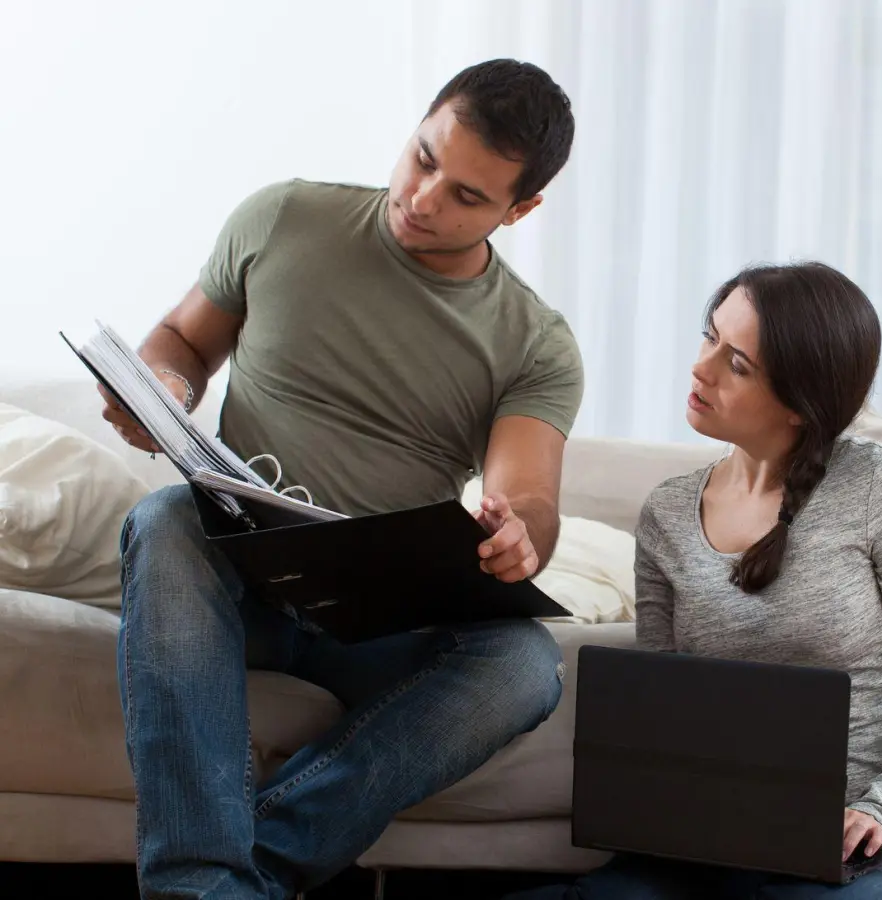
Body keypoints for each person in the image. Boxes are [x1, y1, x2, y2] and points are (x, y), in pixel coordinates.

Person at [102, 58, 583, 899]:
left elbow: (532, 496)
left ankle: (232, 880)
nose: (425, 198)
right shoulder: (286, 217)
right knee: (167, 520)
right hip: (235, 578)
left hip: (374, 620)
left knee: (523, 662)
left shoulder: (534, 343)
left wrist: (520, 534)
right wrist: (166, 390)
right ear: (420, 123)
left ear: (522, 209)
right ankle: (199, 880)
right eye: (425, 157)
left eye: (469, 196)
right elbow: (181, 337)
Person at [516, 262, 882, 900]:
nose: (701, 368)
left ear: (800, 405)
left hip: (876, 853)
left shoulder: (878, 487)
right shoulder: (667, 513)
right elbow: (658, 701)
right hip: (704, 848)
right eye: (710, 337)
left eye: (736, 364)